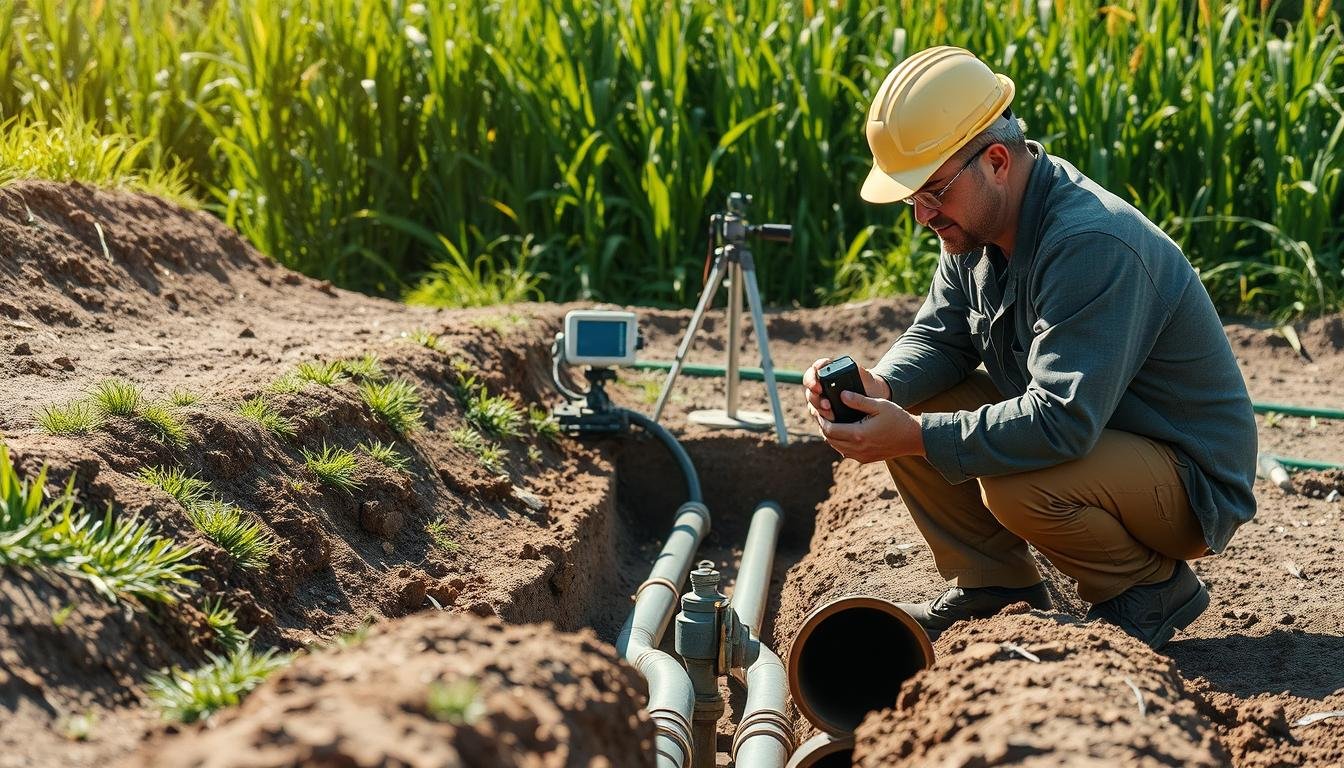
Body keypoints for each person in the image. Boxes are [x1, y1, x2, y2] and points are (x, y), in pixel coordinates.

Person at [803, 46, 1257, 651]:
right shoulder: (975, 229)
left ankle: (1148, 590)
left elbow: (1061, 421)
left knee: (1014, 482)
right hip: (1105, 443)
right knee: (924, 396)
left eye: (933, 191)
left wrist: (913, 437)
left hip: (1185, 479)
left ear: (995, 160)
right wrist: (879, 388)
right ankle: (995, 585)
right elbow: (940, 337)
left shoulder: (1089, 242)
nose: (922, 215)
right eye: (913, 197)